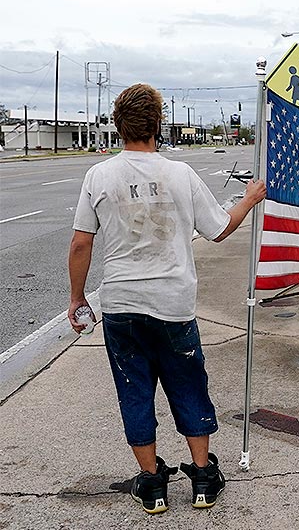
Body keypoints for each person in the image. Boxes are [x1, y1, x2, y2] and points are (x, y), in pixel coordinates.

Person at [67, 83, 266, 514]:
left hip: (121, 306)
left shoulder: (99, 176)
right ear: (158, 125)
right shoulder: (181, 175)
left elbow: (82, 244)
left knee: (134, 392)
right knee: (188, 385)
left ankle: (153, 484)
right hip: (173, 306)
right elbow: (218, 228)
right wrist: (249, 199)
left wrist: (77, 297)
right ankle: (203, 478)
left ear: (118, 127)